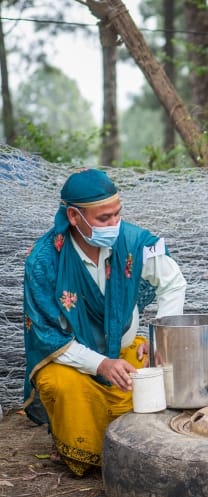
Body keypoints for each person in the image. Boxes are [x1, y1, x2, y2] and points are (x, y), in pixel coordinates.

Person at [22, 168, 187, 476]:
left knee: (157, 379)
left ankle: (136, 447)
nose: (114, 224)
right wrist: (100, 364)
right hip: (73, 364)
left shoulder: (132, 242)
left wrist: (159, 341)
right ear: (74, 216)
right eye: (103, 218)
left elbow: (173, 282)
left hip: (124, 354)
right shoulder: (44, 261)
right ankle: (81, 449)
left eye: (117, 214)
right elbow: (46, 336)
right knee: (59, 384)